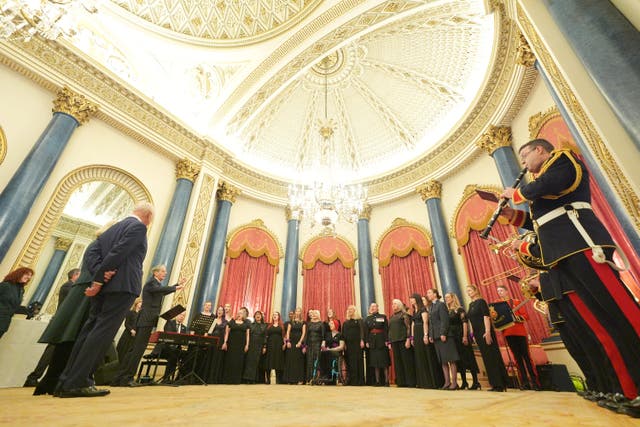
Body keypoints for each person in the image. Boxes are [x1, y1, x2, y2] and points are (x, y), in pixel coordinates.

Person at [500, 139, 640, 407]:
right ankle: (627, 387)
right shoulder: (542, 185)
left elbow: (551, 184)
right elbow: (540, 223)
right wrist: (513, 215)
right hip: (562, 252)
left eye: (525, 157)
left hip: (581, 243)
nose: (524, 165)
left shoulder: (563, 160)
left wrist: (516, 194)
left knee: (618, 312)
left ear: (541, 150)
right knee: (600, 324)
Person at [55, 202, 154, 398]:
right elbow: (119, 252)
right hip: (123, 287)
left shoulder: (110, 230)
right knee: (101, 335)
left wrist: (99, 277)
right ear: (148, 216)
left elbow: (93, 257)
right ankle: (78, 382)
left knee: (89, 331)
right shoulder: (138, 227)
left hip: (106, 288)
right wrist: (99, 280)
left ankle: (66, 380)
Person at [111, 264, 185, 387]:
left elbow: (161, 291)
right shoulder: (151, 283)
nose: (165, 273)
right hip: (146, 319)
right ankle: (127, 378)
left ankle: (120, 378)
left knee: (134, 349)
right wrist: (175, 288)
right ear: (155, 273)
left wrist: (177, 285)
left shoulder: (156, 285)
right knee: (137, 350)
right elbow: (159, 290)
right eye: (162, 271)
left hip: (146, 319)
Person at [24, 269, 83, 388]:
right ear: (75, 275)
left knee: (55, 351)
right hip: (62, 323)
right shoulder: (68, 286)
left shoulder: (71, 287)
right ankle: (34, 377)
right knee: (51, 351)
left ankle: (43, 378)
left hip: (66, 323)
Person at [496, 285, 540, 390]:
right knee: (517, 358)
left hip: (520, 332)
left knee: (527, 357)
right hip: (508, 333)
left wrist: (516, 317)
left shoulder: (516, 302)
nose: (500, 293)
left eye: (501, 290)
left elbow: (525, 316)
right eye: (498, 291)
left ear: (507, 291)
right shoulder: (498, 305)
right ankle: (524, 382)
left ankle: (535, 382)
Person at [466, 285, 508, 391]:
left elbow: (486, 316)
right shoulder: (471, 304)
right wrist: (473, 334)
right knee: (486, 358)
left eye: (470, 290)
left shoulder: (481, 301)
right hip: (478, 334)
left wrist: (488, 331)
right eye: (467, 291)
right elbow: (471, 320)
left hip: (485, 332)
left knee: (492, 357)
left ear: (476, 290)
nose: (468, 292)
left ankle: (500, 384)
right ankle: (494, 383)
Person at [445, 292, 480, 390]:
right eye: (445, 297)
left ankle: (476, 382)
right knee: (459, 360)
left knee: (468, 358)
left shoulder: (460, 309)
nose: (446, 299)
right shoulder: (447, 311)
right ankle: (464, 382)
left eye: (448, 297)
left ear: (453, 298)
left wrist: (465, 336)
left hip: (461, 335)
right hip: (453, 338)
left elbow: (465, 322)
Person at [426, 289, 459, 390]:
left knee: (451, 359)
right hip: (436, 336)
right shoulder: (431, 306)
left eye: (429, 293)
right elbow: (431, 323)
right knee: (443, 360)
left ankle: (454, 383)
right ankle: (447, 382)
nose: (427, 295)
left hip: (444, 336)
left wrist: (443, 333)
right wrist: (431, 335)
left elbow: (445, 320)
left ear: (435, 294)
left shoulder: (441, 305)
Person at [409, 293, 436, 389]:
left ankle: (429, 382)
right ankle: (422, 382)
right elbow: (413, 324)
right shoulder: (414, 311)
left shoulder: (423, 309)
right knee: (419, 356)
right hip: (416, 333)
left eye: (412, 299)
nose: (411, 301)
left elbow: (425, 322)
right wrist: (412, 337)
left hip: (422, 332)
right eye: (410, 299)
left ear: (417, 299)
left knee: (425, 355)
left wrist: (425, 335)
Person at [0, 267, 34, 339]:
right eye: (27, 274)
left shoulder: (21, 290)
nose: (29, 277)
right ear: (19, 274)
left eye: (30, 276)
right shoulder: (5, 285)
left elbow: (15, 306)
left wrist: (28, 313)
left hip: (4, 323)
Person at [388, 299, 415, 388]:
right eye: (392, 304)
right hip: (394, 341)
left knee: (407, 361)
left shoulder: (405, 315)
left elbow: (408, 328)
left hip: (403, 340)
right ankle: (401, 381)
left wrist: (408, 339)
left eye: (395, 304)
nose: (393, 305)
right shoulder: (391, 317)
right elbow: (390, 330)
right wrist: (389, 341)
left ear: (399, 305)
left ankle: (410, 381)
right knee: (398, 362)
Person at [364, 303, 390, 386]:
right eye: (371, 306)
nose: (372, 308)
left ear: (378, 308)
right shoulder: (368, 318)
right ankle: (377, 381)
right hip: (372, 342)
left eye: (374, 306)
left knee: (384, 362)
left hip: (381, 341)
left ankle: (386, 381)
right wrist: (367, 341)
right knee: (375, 363)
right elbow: (366, 331)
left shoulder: (383, 317)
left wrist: (387, 340)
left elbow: (386, 329)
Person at [221, 310, 249, 384]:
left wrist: (247, 345)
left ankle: (236, 380)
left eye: (241, 313)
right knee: (230, 360)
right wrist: (225, 342)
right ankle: (228, 379)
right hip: (231, 344)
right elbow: (227, 333)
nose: (239, 314)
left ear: (243, 315)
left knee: (239, 362)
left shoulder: (246, 324)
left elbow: (247, 335)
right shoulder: (231, 322)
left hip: (241, 345)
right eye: (238, 313)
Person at [342, 305, 365, 386]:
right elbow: (343, 334)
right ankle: (352, 380)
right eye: (348, 309)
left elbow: (362, 331)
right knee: (350, 362)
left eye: (351, 309)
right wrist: (344, 344)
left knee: (358, 361)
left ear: (355, 311)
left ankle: (360, 381)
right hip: (348, 345)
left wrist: (362, 340)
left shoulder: (359, 320)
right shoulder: (345, 322)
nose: (350, 310)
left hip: (357, 344)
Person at [243, 310, 267, 384]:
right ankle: (248, 379)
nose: (258, 315)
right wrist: (247, 345)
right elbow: (248, 335)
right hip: (251, 345)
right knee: (250, 362)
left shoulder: (264, 325)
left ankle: (254, 379)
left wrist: (264, 346)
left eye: (259, 314)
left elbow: (265, 337)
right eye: (256, 314)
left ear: (261, 316)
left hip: (259, 345)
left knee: (257, 362)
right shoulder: (251, 325)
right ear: (254, 316)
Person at [204, 306, 227, 384]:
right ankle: (207, 378)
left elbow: (226, 333)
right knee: (210, 358)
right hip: (212, 341)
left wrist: (225, 342)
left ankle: (214, 379)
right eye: (218, 310)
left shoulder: (225, 322)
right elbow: (208, 331)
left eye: (221, 310)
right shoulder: (213, 320)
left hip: (220, 342)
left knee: (217, 359)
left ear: (223, 312)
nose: (219, 311)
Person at [283, 307, 306, 384]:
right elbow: (288, 332)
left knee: (298, 361)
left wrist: (300, 342)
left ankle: (299, 379)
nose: (297, 312)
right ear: (295, 312)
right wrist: (288, 341)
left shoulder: (303, 322)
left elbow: (303, 333)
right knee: (290, 360)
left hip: (299, 342)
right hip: (291, 342)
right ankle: (290, 379)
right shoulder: (291, 322)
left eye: (299, 311)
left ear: (300, 313)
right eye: (296, 311)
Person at [318, 319, 345, 385]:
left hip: (336, 352)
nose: (330, 325)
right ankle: (323, 374)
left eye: (332, 324)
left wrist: (331, 349)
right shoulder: (327, 334)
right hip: (327, 351)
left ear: (336, 325)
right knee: (322, 353)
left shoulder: (340, 335)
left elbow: (341, 347)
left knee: (328, 353)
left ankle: (328, 375)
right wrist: (323, 347)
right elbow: (323, 343)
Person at [115, 298, 142, 363]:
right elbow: (126, 323)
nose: (141, 304)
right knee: (122, 350)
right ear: (136, 303)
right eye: (140, 302)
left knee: (129, 352)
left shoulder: (141, 315)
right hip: (127, 334)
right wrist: (131, 330)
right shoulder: (130, 312)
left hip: (135, 336)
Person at [305, 309, 325, 383]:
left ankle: (317, 378)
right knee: (310, 360)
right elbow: (306, 335)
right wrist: (305, 345)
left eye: (315, 313)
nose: (313, 315)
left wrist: (323, 344)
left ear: (318, 315)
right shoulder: (309, 324)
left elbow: (323, 335)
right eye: (313, 314)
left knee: (317, 360)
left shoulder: (321, 324)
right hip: (310, 344)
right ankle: (310, 378)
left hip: (318, 344)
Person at [265, 311, 286, 384]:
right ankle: (268, 379)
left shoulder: (282, 326)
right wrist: (265, 345)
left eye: (276, 315)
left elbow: (284, 336)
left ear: (279, 317)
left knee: (278, 361)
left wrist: (284, 344)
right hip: (270, 345)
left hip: (279, 345)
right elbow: (266, 336)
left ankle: (278, 380)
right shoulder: (269, 326)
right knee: (269, 362)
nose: (274, 316)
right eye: (273, 315)